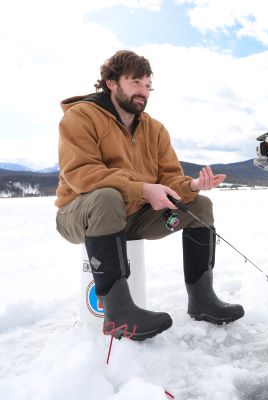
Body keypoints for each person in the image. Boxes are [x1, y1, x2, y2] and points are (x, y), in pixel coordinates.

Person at [55, 50, 244, 341]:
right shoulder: (81, 117)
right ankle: (117, 314)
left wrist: (191, 187)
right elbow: (82, 174)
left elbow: (169, 177)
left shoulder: (154, 129)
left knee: (201, 206)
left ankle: (202, 300)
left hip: (132, 213)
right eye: (135, 83)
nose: (143, 91)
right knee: (107, 197)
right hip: (79, 213)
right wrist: (142, 189)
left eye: (148, 85)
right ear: (111, 83)